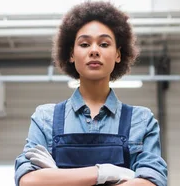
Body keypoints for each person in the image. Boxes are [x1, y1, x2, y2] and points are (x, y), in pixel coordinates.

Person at [14, 2, 168, 186]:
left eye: (104, 44)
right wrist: (102, 172)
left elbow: (152, 182)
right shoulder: (45, 119)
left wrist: (58, 178)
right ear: (71, 54)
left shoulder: (141, 121)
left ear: (118, 54)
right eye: (85, 44)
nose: (94, 51)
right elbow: (28, 181)